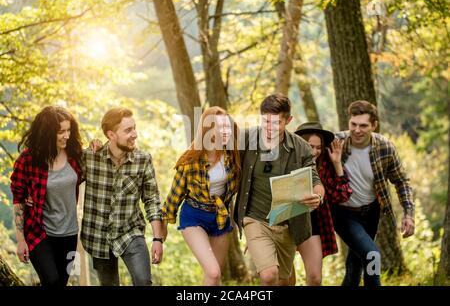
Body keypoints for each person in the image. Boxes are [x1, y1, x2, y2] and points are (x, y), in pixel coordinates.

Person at [234, 94, 325, 286]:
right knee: (268, 276)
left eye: (276, 123)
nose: (269, 128)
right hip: (255, 219)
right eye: (265, 121)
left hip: (288, 224)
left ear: (289, 120)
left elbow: (315, 180)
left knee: (284, 282)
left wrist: (317, 197)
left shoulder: (301, 148)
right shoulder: (246, 139)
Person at [331, 100, 415, 286]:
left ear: (374, 125)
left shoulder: (385, 147)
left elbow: (401, 181)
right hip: (343, 214)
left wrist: (408, 214)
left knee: (355, 265)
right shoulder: (336, 143)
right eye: (353, 124)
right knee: (372, 256)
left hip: (371, 213)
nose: (357, 130)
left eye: (363, 125)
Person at [81, 107, 164, 286]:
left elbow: (152, 200)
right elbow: (64, 178)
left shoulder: (143, 160)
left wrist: (157, 239)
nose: (135, 134)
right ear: (111, 134)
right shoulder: (90, 157)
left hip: (130, 231)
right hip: (98, 237)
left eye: (134, 128)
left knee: (143, 281)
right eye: (128, 130)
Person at [161, 107, 241, 286]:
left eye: (227, 126)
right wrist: (159, 236)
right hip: (194, 216)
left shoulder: (233, 155)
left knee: (215, 276)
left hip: (220, 218)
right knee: (213, 273)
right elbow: (173, 197)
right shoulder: (191, 160)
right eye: (220, 127)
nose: (225, 131)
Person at [10, 106, 83, 286]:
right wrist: (20, 241)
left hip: (70, 234)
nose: (67, 135)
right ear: (47, 133)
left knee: (62, 282)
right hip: (40, 234)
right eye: (61, 132)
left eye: (69, 130)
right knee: (52, 281)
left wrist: (97, 145)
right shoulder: (28, 160)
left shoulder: (75, 154)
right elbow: (19, 200)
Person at [290, 122, 352, 285]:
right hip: (286, 222)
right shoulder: (286, 162)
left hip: (313, 224)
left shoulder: (324, 166)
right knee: (286, 280)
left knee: (315, 278)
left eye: (318, 147)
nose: (315, 151)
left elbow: (342, 195)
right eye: (310, 146)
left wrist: (337, 163)